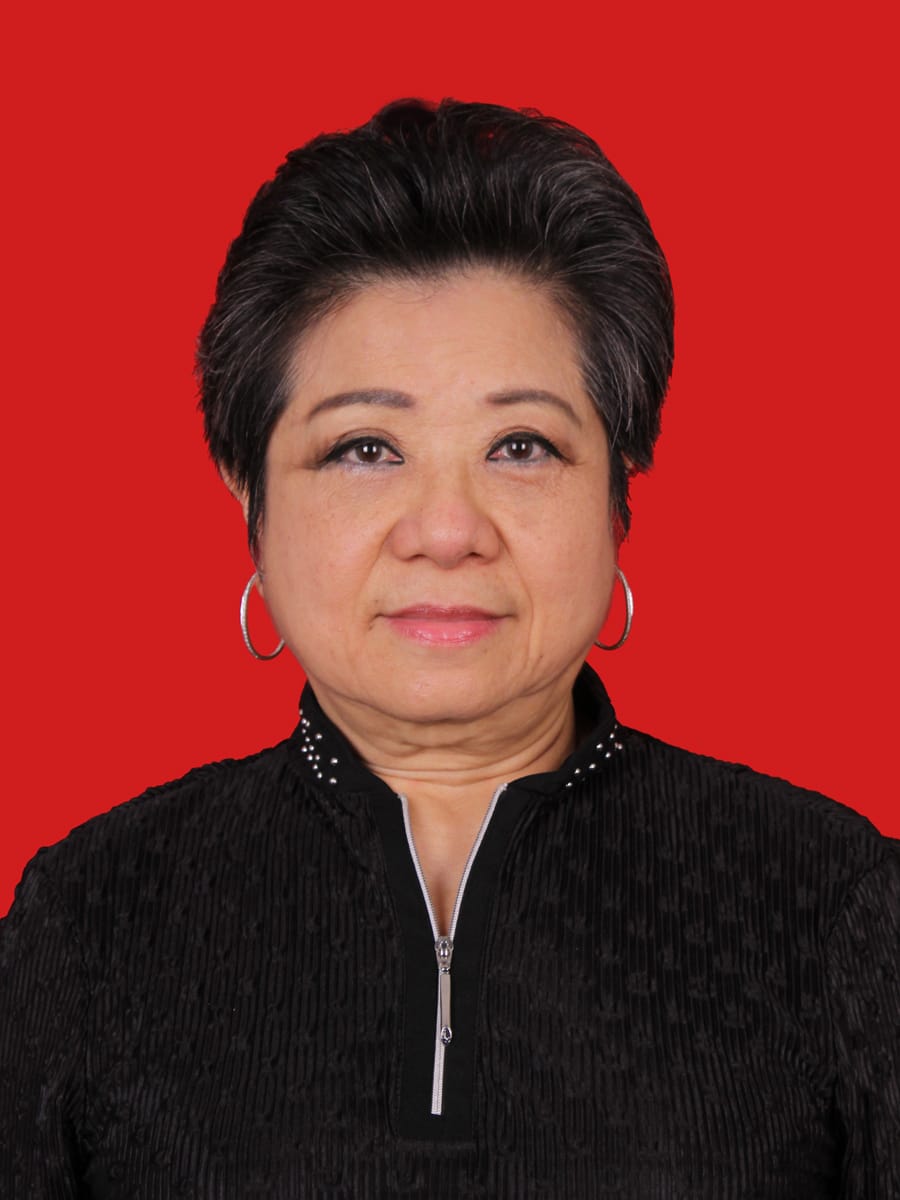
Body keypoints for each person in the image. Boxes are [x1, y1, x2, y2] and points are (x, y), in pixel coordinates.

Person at [1, 98, 898, 1198]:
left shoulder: (829, 904)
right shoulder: (94, 918)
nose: (446, 530)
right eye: (364, 448)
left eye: (521, 445)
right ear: (251, 498)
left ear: (618, 493)